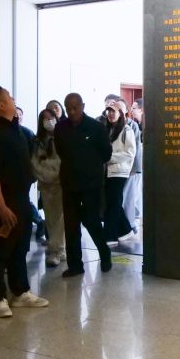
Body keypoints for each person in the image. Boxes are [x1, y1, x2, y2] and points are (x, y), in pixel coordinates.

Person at [0, 86, 48, 316]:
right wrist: (1, 206)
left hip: (20, 197)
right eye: (9, 97)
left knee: (19, 246)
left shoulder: (13, 128)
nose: (13, 100)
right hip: (2, 200)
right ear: (0, 105)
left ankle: (20, 291)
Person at [54, 93, 112, 278]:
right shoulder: (61, 127)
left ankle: (104, 252)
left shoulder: (95, 127)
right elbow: (60, 150)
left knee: (91, 220)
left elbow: (106, 153)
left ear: (82, 106)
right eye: (68, 108)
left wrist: (90, 165)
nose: (72, 112)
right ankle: (75, 265)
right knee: (71, 225)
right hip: (69, 182)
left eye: (75, 108)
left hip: (90, 183)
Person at [31, 106, 65, 268]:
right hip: (45, 184)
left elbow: (63, 161)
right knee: (50, 218)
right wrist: (45, 174)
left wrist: (55, 173)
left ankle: (57, 249)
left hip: (61, 183)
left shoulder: (62, 138)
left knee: (61, 218)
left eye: (51, 118)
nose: (49, 121)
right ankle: (56, 248)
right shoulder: (38, 141)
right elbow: (35, 162)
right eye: (45, 118)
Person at [101, 101, 136, 245]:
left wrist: (110, 157)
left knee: (113, 203)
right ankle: (126, 231)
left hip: (120, 171)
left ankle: (109, 236)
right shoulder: (107, 129)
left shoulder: (127, 130)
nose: (110, 114)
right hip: (107, 171)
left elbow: (130, 153)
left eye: (113, 111)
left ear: (120, 113)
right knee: (113, 202)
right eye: (108, 111)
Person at [123, 97, 143, 232]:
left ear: (141, 110)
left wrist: (136, 168)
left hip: (136, 166)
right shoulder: (135, 123)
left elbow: (137, 149)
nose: (131, 110)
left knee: (134, 195)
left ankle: (134, 221)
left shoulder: (135, 125)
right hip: (132, 166)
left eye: (134, 108)